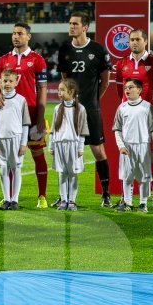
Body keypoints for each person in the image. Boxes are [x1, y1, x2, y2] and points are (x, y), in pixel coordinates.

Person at [58, 12, 113, 207]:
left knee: (98, 150)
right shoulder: (65, 49)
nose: (71, 27)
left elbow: (105, 82)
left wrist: (92, 102)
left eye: (75, 24)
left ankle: (106, 193)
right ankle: (64, 196)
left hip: (90, 108)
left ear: (85, 27)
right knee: (66, 151)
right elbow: (65, 80)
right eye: (70, 23)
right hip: (69, 109)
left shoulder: (97, 49)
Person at [0, 23, 48, 208]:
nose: (15, 36)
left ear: (28, 37)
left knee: (37, 154)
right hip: (9, 116)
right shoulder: (3, 60)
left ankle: (42, 196)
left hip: (32, 113)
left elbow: (42, 89)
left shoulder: (37, 59)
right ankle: (9, 197)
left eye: (20, 33)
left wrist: (40, 117)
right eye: (14, 33)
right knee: (9, 158)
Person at [113, 28, 153, 209]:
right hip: (130, 118)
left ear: (145, 41)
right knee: (127, 157)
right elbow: (120, 90)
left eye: (137, 39)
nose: (134, 43)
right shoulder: (122, 64)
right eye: (131, 40)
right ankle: (125, 199)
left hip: (148, 117)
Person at [112, 78, 153, 213]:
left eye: (130, 87)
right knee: (127, 176)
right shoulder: (122, 107)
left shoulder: (147, 107)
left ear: (139, 90)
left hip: (143, 146)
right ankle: (127, 202)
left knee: (144, 177)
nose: (127, 90)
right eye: (126, 87)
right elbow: (117, 129)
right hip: (127, 147)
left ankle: (143, 204)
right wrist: (121, 146)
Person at [0, 69, 30, 211]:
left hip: (16, 139)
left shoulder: (21, 100)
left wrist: (23, 143)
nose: (7, 84)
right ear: (0, 82)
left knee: (16, 168)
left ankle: (15, 200)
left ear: (16, 82)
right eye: (4, 81)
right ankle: (6, 199)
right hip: (0, 139)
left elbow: (25, 124)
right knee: (3, 170)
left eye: (10, 81)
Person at [49, 78, 88, 211]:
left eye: (62, 90)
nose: (59, 92)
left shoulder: (81, 109)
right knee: (61, 173)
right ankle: (63, 200)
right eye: (59, 90)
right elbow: (53, 129)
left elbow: (83, 130)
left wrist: (80, 147)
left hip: (73, 145)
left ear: (71, 92)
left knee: (72, 173)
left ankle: (72, 200)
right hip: (59, 145)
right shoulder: (57, 108)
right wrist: (51, 145)